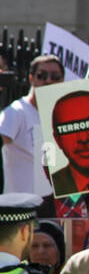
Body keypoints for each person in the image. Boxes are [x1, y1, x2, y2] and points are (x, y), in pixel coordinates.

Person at [0, 54, 61, 200]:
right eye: (42, 75)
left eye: (55, 77)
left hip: (50, 205)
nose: (48, 80)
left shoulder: (61, 116)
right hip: (19, 208)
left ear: (62, 81)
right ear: (31, 78)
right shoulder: (17, 112)